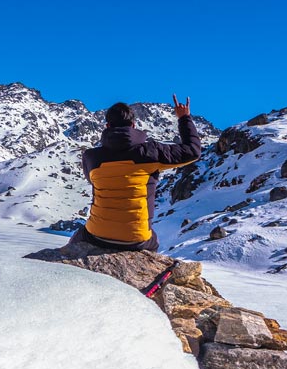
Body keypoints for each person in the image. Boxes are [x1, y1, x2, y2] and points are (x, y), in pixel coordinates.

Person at [70, 95, 201, 252]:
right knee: (152, 242)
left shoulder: (90, 157)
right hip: (135, 239)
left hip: (97, 234)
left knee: (78, 237)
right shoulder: (151, 152)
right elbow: (193, 151)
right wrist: (184, 118)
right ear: (133, 125)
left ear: (107, 126)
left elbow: (93, 182)